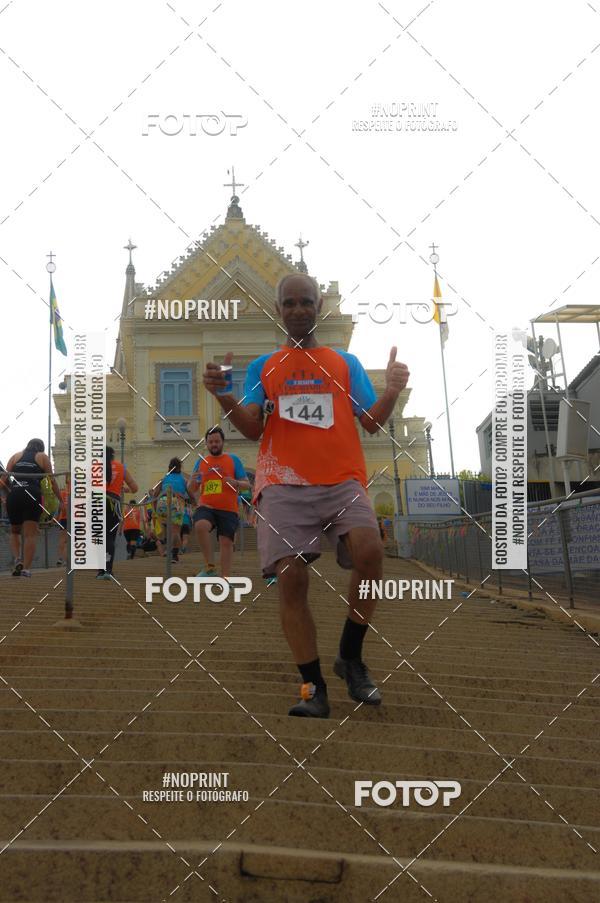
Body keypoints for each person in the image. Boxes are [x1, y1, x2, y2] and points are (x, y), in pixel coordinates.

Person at [202, 273, 409, 718]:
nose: (299, 309)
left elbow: (370, 422)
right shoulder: (264, 367)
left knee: (371, 551)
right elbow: (254, 427)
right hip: (282, 484)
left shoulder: (343, 363)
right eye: (290, 303)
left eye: (307, 302)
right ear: (279, 311)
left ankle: (350, 656)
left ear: (319, 307)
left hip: (341, 480)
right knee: (292, 580)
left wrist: (391, 391)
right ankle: (313, 687)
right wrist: (224, 399)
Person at [188, 427, 250, 582]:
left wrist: (235, 482)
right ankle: (209, 567)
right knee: (200, 526)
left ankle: (226, 577)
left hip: (228, 508)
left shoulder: (233, 459)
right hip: (206, 506)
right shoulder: (201, 462)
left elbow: (247, 484)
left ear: (222, 442)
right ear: (207, 444)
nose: (214, 444)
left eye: (217, 441)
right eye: (211, 442)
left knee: (226, 542)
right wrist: (191, 482)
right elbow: (192, 488)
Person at [0, 439, 61, 577]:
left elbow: (3, 479)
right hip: (32, 495)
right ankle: (26, 569)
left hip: (14, 495)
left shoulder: (15, 456)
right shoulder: (42, 457)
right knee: (30, 535)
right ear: (41, 448)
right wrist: (61, 500)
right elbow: (52, 481)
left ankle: (17, 559)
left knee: (14, 531)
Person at [97, 447, 138, 580]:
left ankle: (100, 571)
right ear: (113, 456)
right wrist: (123, 488)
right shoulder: (121, 467)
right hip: (113, 503)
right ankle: (108, 570)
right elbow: (135, 488)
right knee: (110, 537)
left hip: (97, 503)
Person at [153, 458, 190, 563]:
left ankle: (167, 549)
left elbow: (155, 494)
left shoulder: (164, 478)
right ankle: (174, 555)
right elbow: (190, 493)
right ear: (180, 467)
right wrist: (195, 502)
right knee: (176, 532)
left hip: (162, 503)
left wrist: (155, 509)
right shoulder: (183, 480)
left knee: (168, 530)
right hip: (177, 503)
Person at [56, 476, 70, 566]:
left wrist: (57, 517)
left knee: (63, 540)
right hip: (72, 519)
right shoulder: (76, 493)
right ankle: (64, 559)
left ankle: (62, 558)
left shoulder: (62, 493)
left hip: (64, 519)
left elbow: (60, 508)